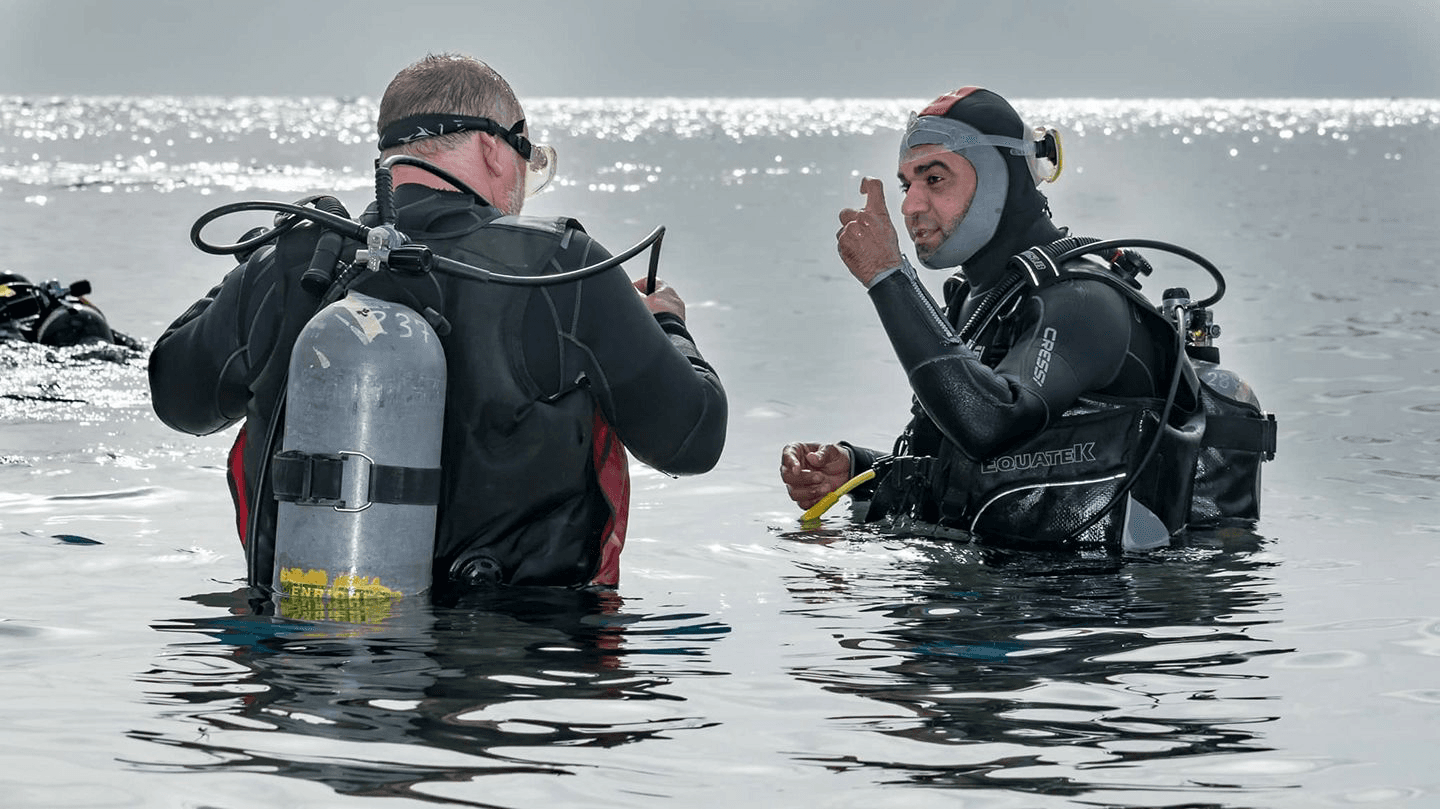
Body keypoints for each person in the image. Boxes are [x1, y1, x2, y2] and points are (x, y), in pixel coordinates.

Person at [150, 54, 727, 596]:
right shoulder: (564, 268)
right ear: (494, 149)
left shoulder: (295, 263)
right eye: (527, 160)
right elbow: (693, 439)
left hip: (300, 633)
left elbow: (179, 400)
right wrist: (668, 325)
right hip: (526, 643)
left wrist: (255, 265)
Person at [781, 86, 1225, 549]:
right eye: (907, 185)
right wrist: (857, 469)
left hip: (1102, 591)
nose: (910, 206)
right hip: (1008, 577)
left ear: (1000, 179)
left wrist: (888, 277)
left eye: (935, 179)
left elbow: (991, 424)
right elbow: (971, 470)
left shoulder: (1082, 302)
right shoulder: (981, 301)